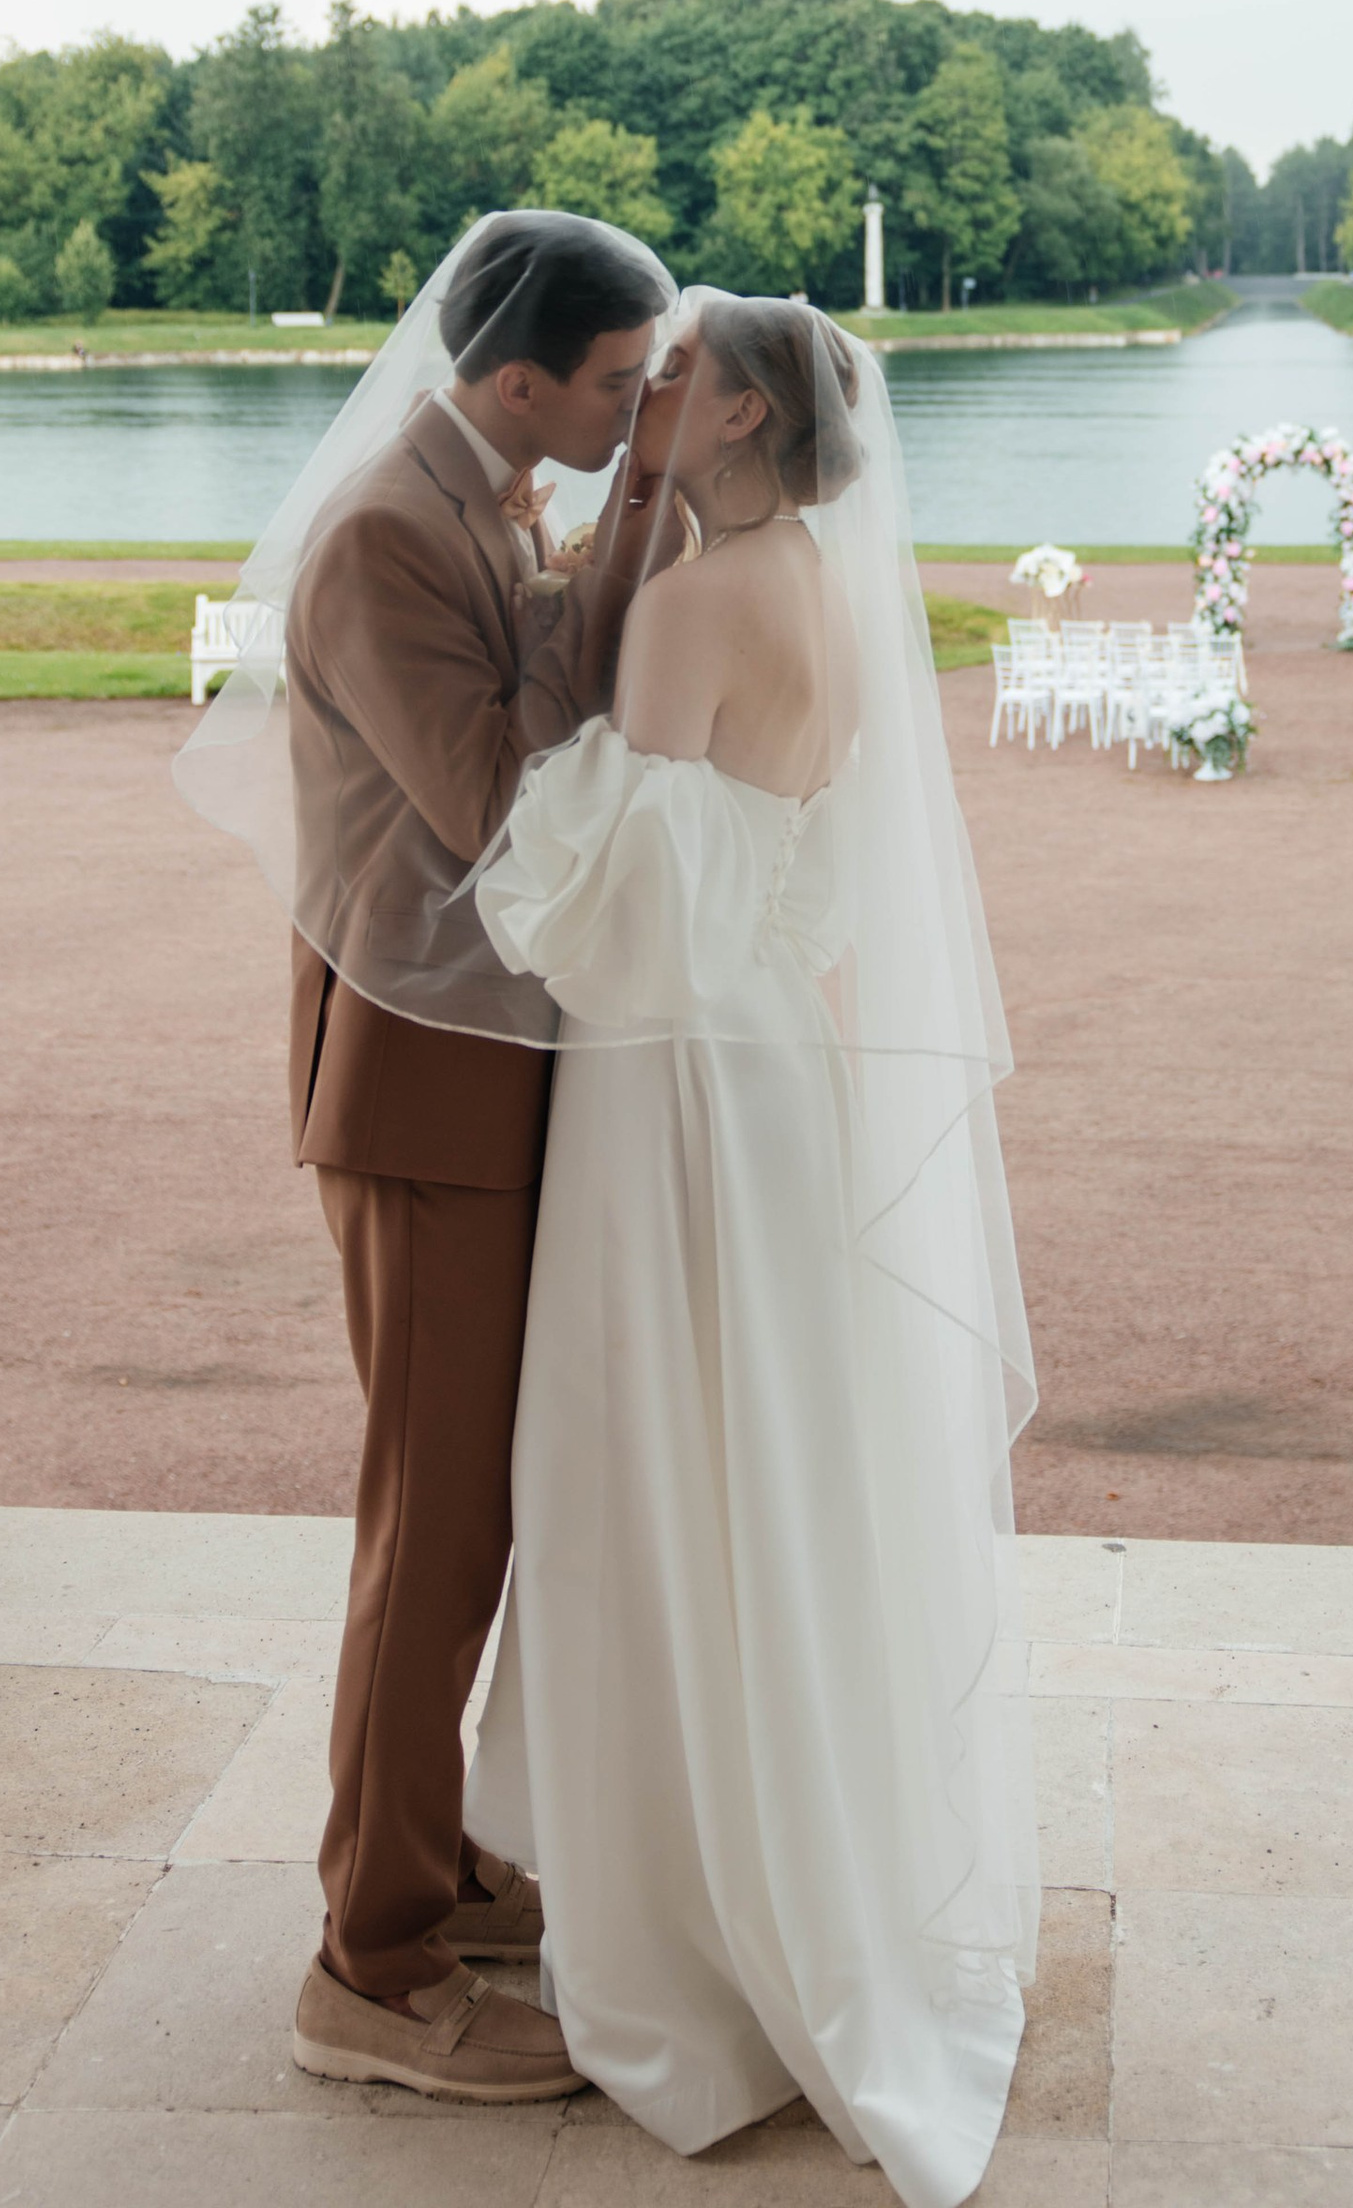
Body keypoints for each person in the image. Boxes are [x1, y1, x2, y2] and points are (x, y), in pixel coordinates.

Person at [464, 292, 1036, 2205]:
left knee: (651, 1479)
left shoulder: (696, 605)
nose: (653, 395)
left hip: (673, 1092)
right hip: (776, 1069)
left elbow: (604, 898)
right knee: (769, 1475)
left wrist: (524, 817)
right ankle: (788, 1872)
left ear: (744, 415)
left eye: (685, 373)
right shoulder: (814, 589)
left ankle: (689, 1946)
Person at [175, 208, 676, 2104]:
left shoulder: (486, 490)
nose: (631, 425)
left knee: (483, 1497)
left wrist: (584, 564)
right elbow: (493, 803)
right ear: (518, 371)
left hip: (480, 1065)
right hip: (416, 1084)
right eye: (615, 389)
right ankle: (368, 1970)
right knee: (431, 1523)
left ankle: (439, 1863)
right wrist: (619, 565)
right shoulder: (392, 527)